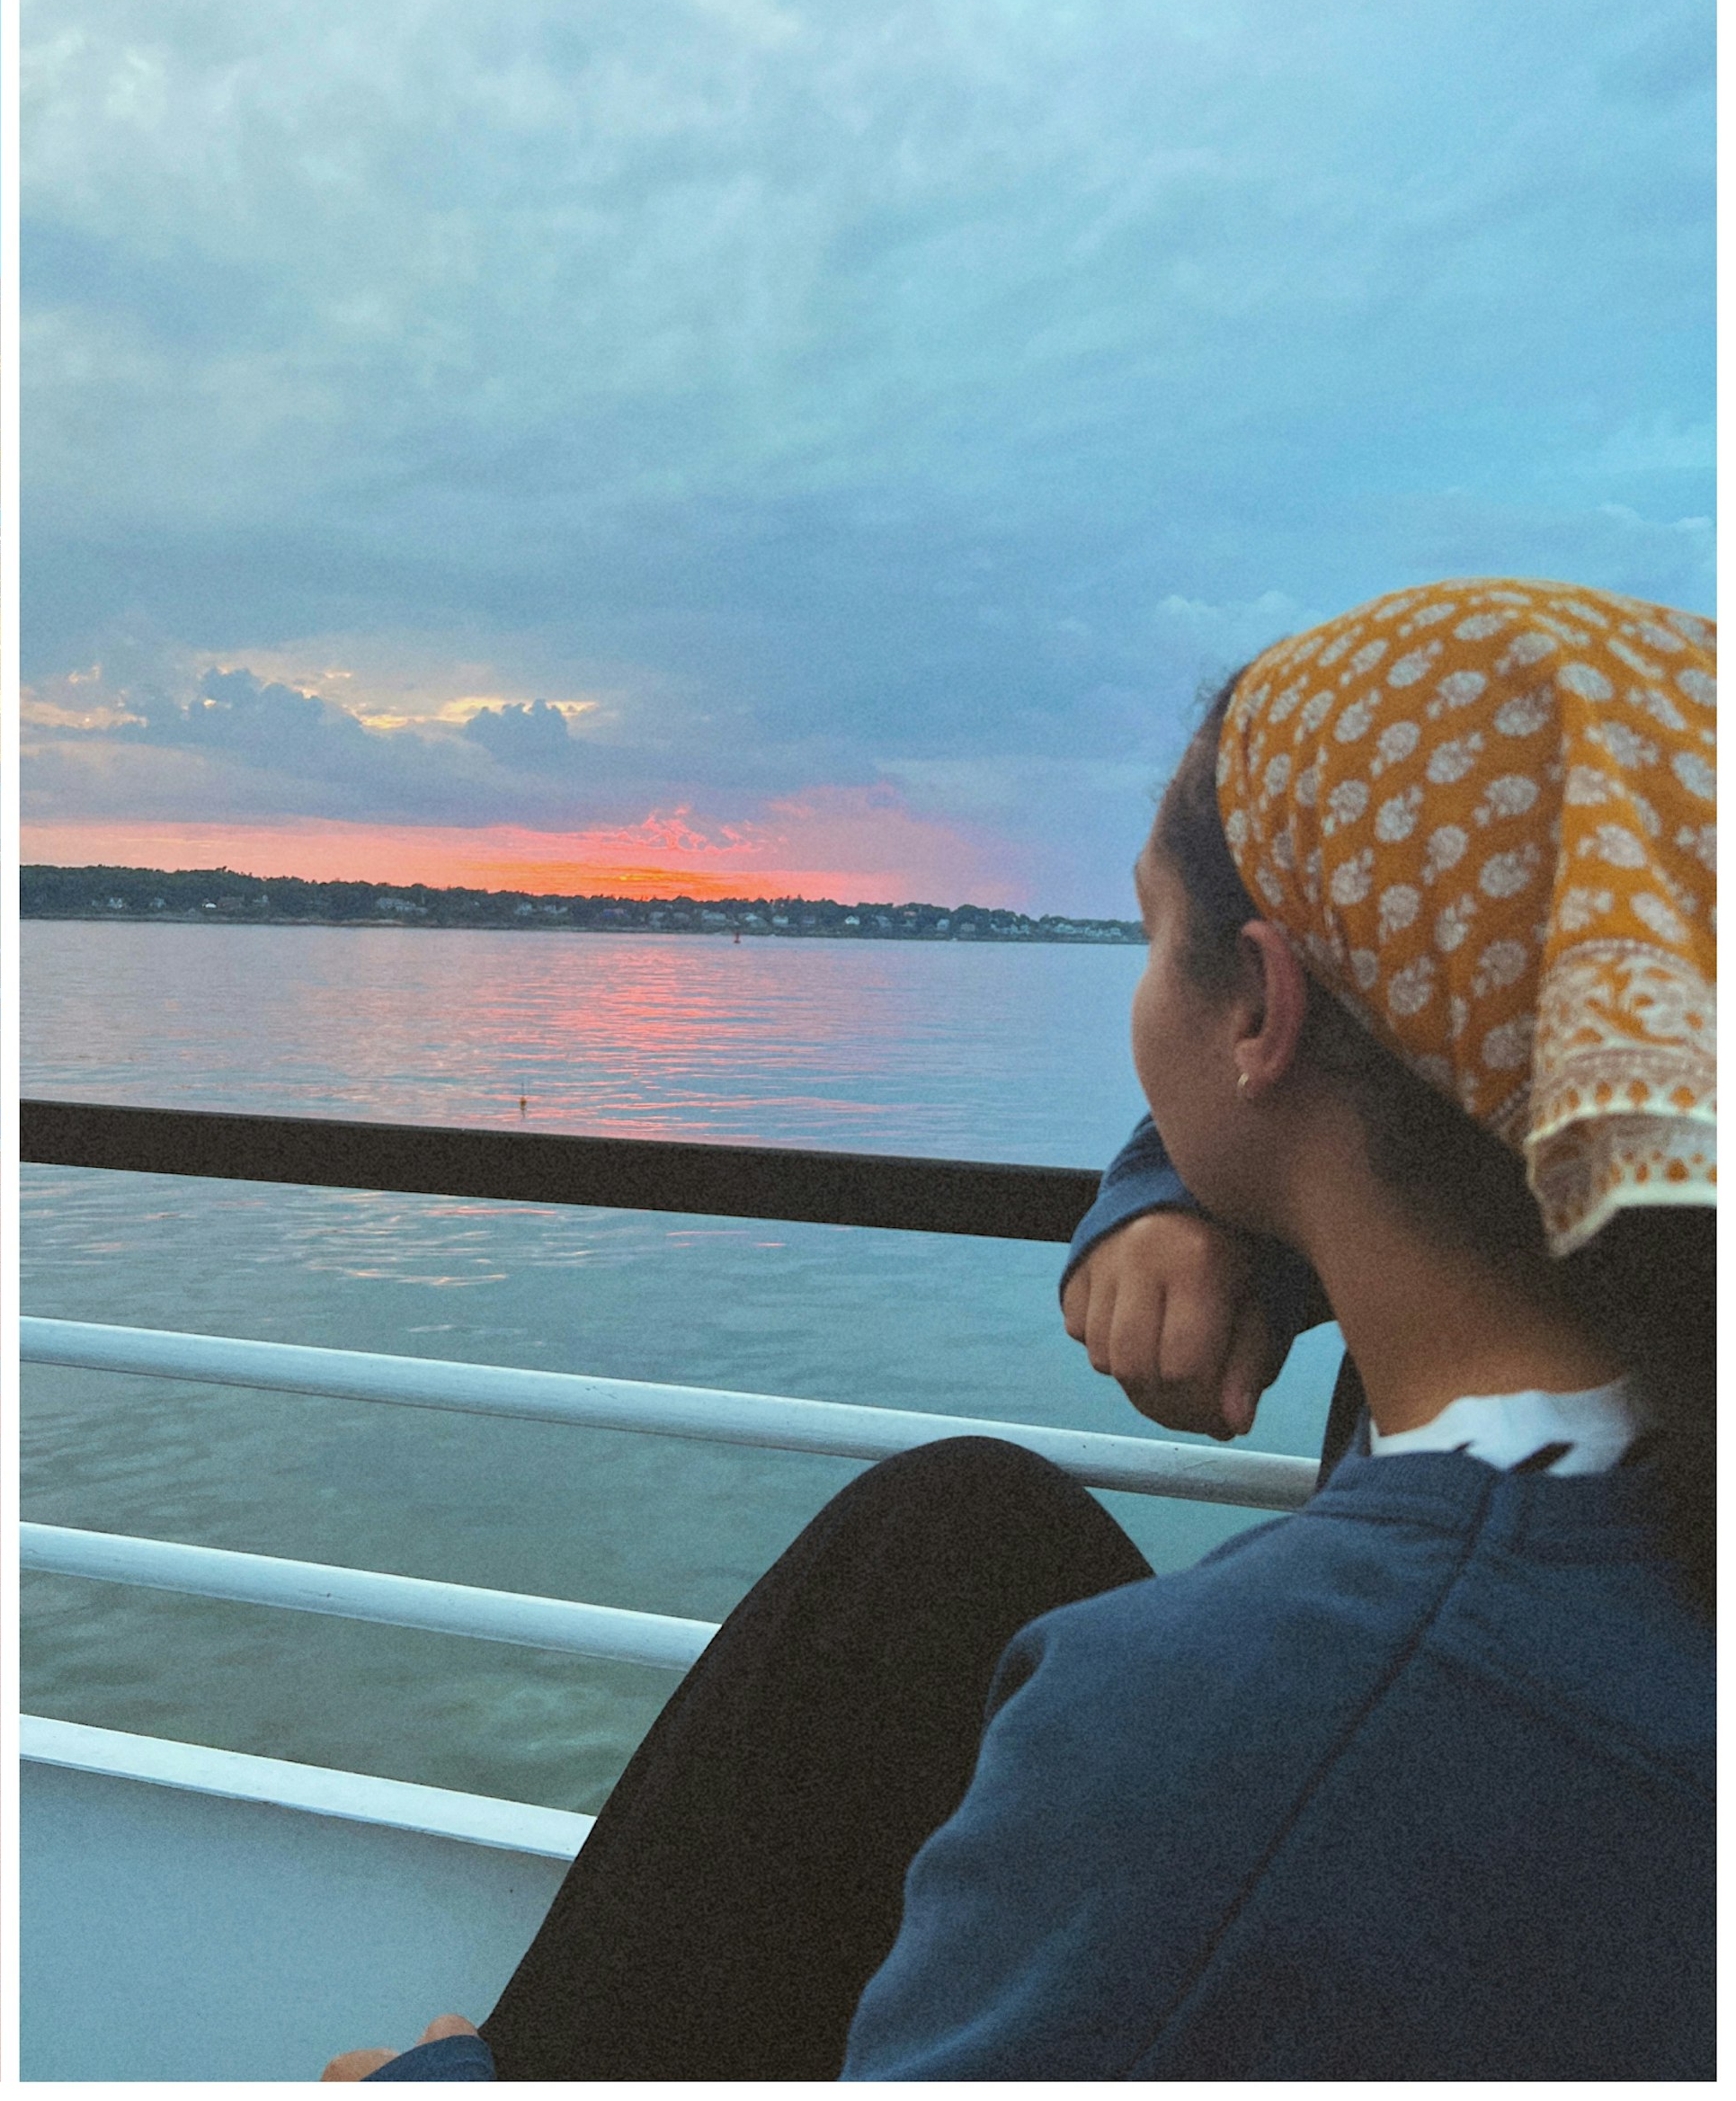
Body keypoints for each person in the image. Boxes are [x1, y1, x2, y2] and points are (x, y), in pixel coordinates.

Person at [333, 579, 1713, 2081]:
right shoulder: (1652, 1309)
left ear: (1261, 1004)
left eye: (1147, 934)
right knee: (955, 1534)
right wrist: (1173, 1191)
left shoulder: (1211, 1728)